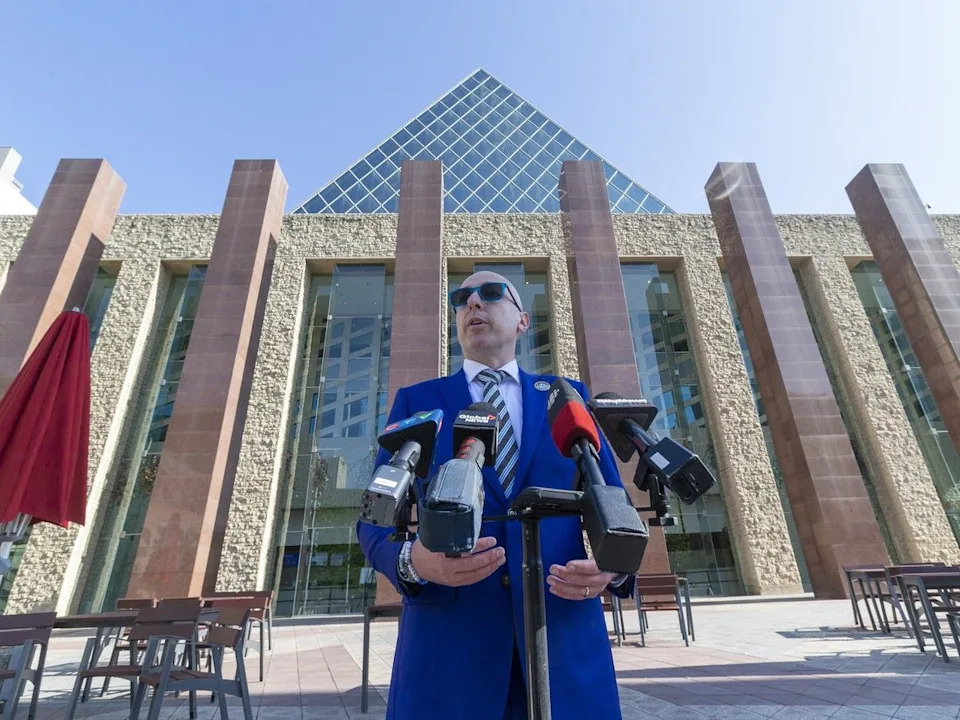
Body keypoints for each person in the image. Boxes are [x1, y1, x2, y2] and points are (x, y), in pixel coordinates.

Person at [357, 270, 633, 720]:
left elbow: (614, 503)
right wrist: (415, 562)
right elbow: (373, 522)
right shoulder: (418, 401)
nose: (472, 303)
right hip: (450, 655)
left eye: (490, 293)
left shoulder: (567, 397)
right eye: (461, 297)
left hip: (561, 643)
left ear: (523, 321)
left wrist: (613, 568)